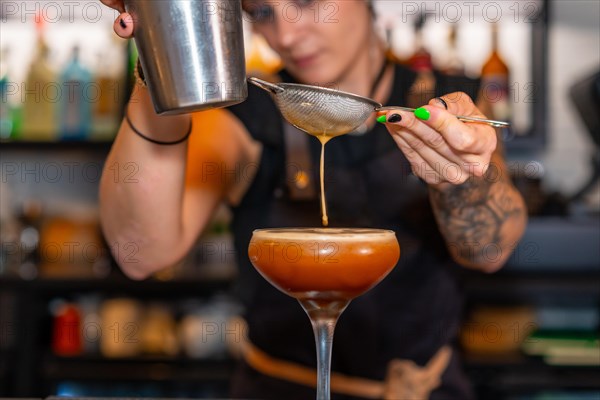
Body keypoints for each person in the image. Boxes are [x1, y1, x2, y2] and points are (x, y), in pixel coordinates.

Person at [98, 1, 527, 399]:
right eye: (261, 11)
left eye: (305, 0)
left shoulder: (449, 99)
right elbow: (144, 253)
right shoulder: (242, 113)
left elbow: (490, 250)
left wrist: (458, 178)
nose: (284, 34)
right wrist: (158, 62)